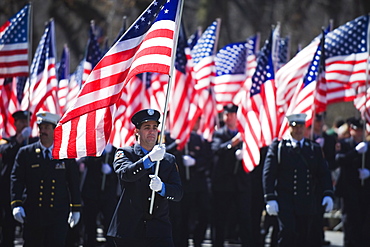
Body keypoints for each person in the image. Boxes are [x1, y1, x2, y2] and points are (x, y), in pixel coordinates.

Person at [107, 109, 183, 247]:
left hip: (159, 229)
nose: (152, 131)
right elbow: (126, 174)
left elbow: (178, 193)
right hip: (131, 229)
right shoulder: (125, 153)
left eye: (155, 127)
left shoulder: (168, 159)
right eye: (147, 127)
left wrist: (163, 188)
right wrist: (149, 159)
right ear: (137, 131)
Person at [10, 111, 81, 247]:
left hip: (57, 214)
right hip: (33, 214)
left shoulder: (65, 155)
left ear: (55, 130)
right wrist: (16, 203)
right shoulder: (26, 153)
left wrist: (76, 208)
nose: (43, 131)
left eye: (47, 128)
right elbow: (16, 179)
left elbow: (73, 182)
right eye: (40, 128)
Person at [263, 113, 334, 247]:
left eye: (301, 126)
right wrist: (270, 197)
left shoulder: (313, 148)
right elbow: (269, 174)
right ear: (289, 127)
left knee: (305, 236)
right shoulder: (279, 147)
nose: (298, 130)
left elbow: (323, 173)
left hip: (306, 201)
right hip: (285, 200)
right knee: (287, 233)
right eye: (295, 127)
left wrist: (328, 193)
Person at [165, 117, 212, 247]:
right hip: (178, 185)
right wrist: (177, 144)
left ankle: (198, 240)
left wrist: (195, 162)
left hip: (197, 186)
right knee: (181, 219)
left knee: (203, 214)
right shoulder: (166, 137)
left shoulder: (196, 138)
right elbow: (163, 153)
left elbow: (207, 158)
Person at [210, 104, 253, 247]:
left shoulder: (245, 133)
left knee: (245, 219)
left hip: (241, 185)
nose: (229, 118)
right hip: (224, 184)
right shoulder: (220, 133)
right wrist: (232, 145)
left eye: (233, 115)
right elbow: (216, 150)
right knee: (220, 220)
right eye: (227, 115)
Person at [0, 111, 37, 247]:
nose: (24, 124)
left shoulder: (34, 143)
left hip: (28, 190)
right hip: (8, 191)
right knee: (7, 227)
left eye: (26, 121)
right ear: (15, 124)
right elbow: (7, 152)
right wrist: (20, 139)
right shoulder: (7, 141)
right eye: (21, 121)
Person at [334, 117, 370, 247]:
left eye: (361, 130)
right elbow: (339, 160)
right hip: (349, 190)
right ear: (351, 130)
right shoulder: (344, 144)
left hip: (365, 190)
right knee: (350, 223)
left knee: (365, 225)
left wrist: (368, 173)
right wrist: (355, 152)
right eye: (357, 130)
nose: (359, 133)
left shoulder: (368, 145)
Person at [79, 143, 118, 247]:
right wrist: (101, 161)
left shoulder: (115, 151)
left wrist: (111, 170)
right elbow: (85, 160)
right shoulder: (92, 148)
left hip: (108, 195)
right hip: (91, 194)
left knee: (109, 225)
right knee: (89, 226)